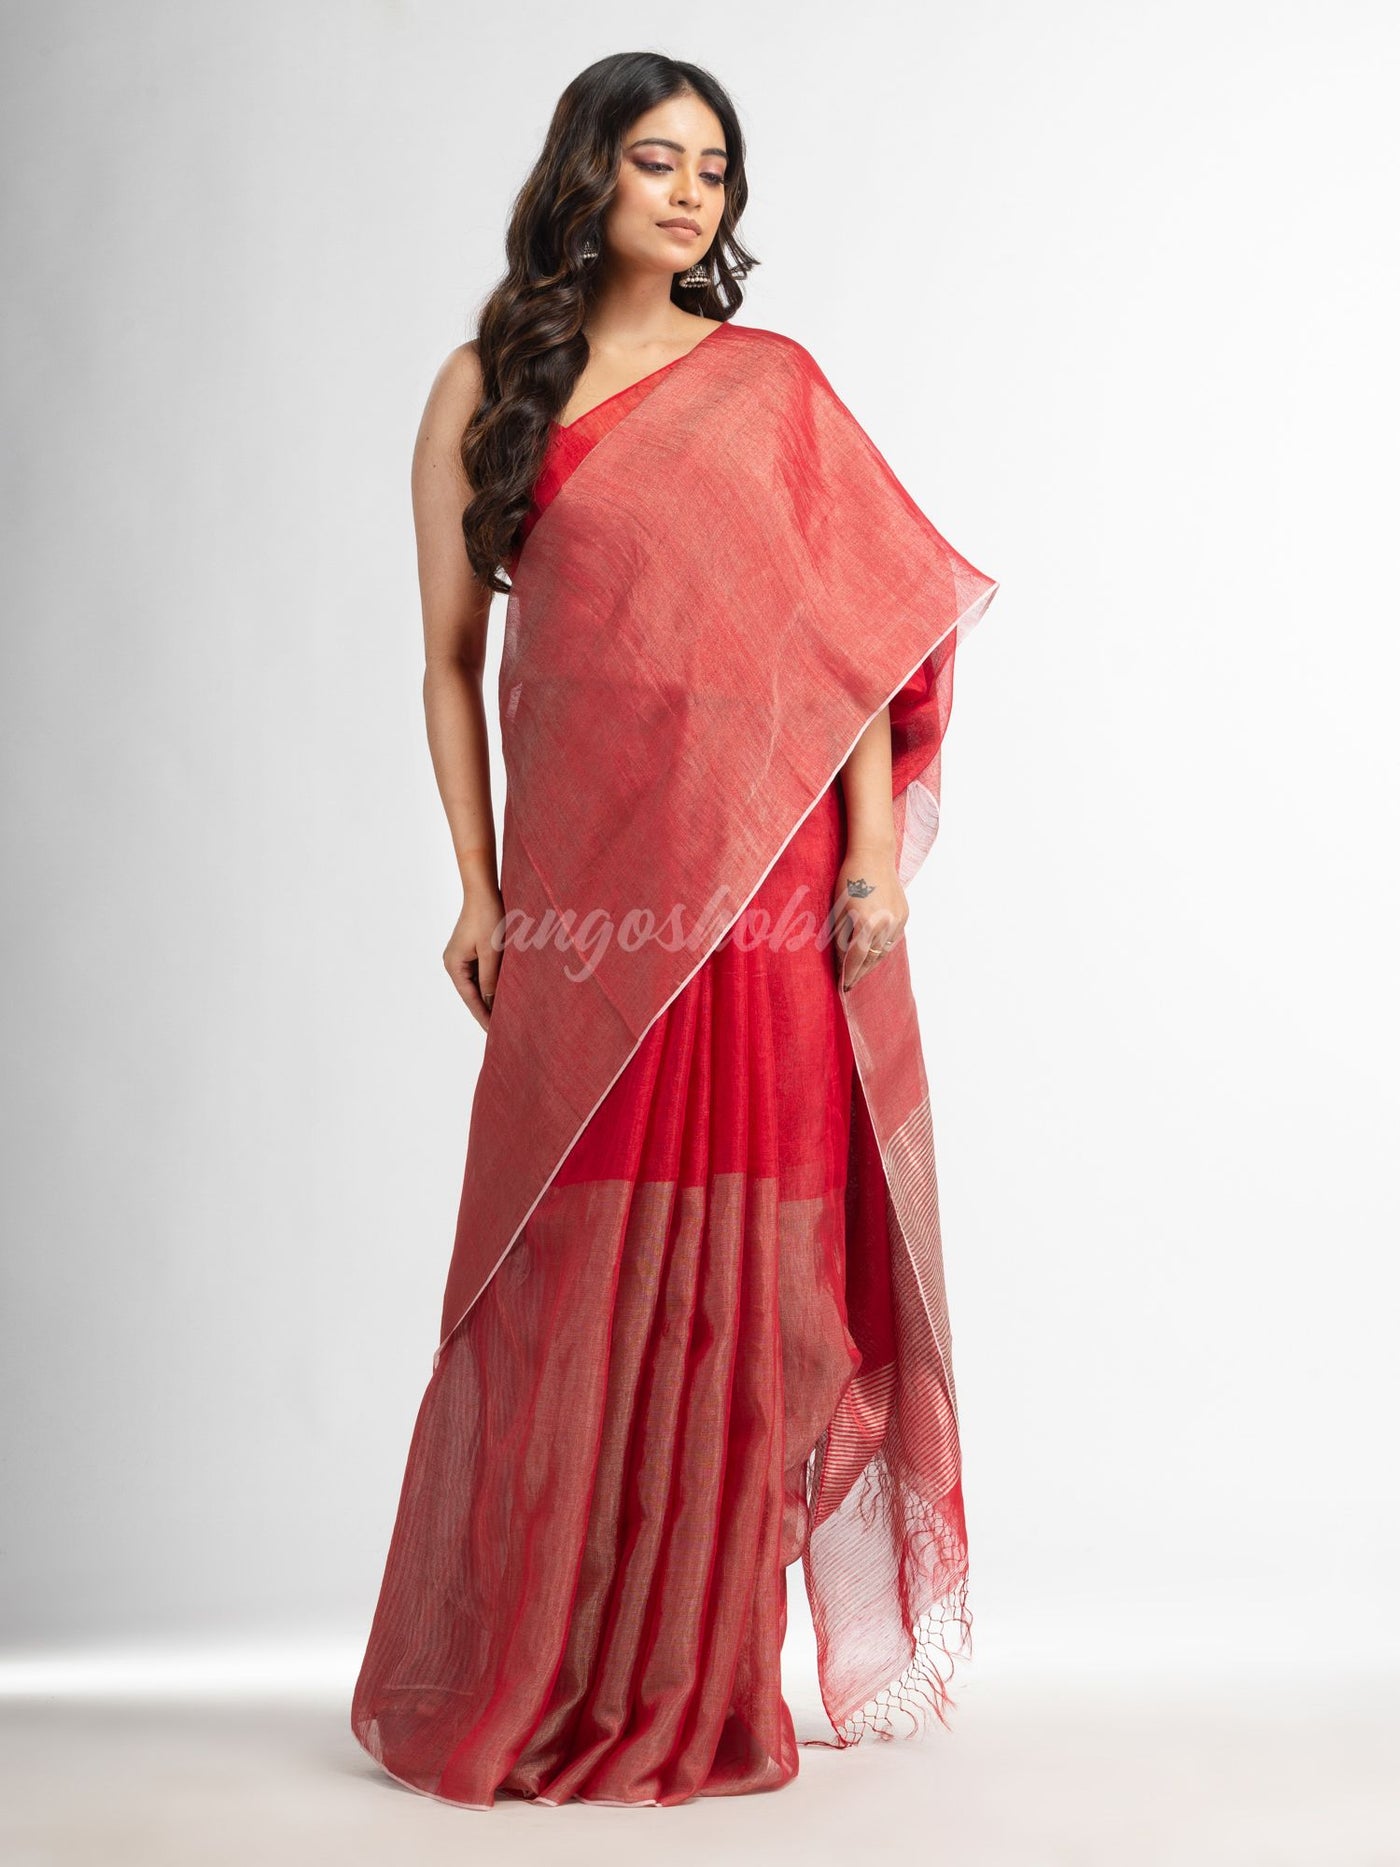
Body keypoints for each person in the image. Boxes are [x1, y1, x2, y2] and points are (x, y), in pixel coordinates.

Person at [350, 50, 999, 1809]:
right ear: (588, 174)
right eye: (658, 159)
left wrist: (874, 862)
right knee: (568, 1254)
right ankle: (548, 1661)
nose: (694, 191)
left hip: (765, 883)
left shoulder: (766, 387)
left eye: (716, 167)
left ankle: (704, 1678)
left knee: (745, 1273)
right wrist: (480, 886)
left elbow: (860, 635)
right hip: (589, 887)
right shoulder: (488, 386)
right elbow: (448, 661)